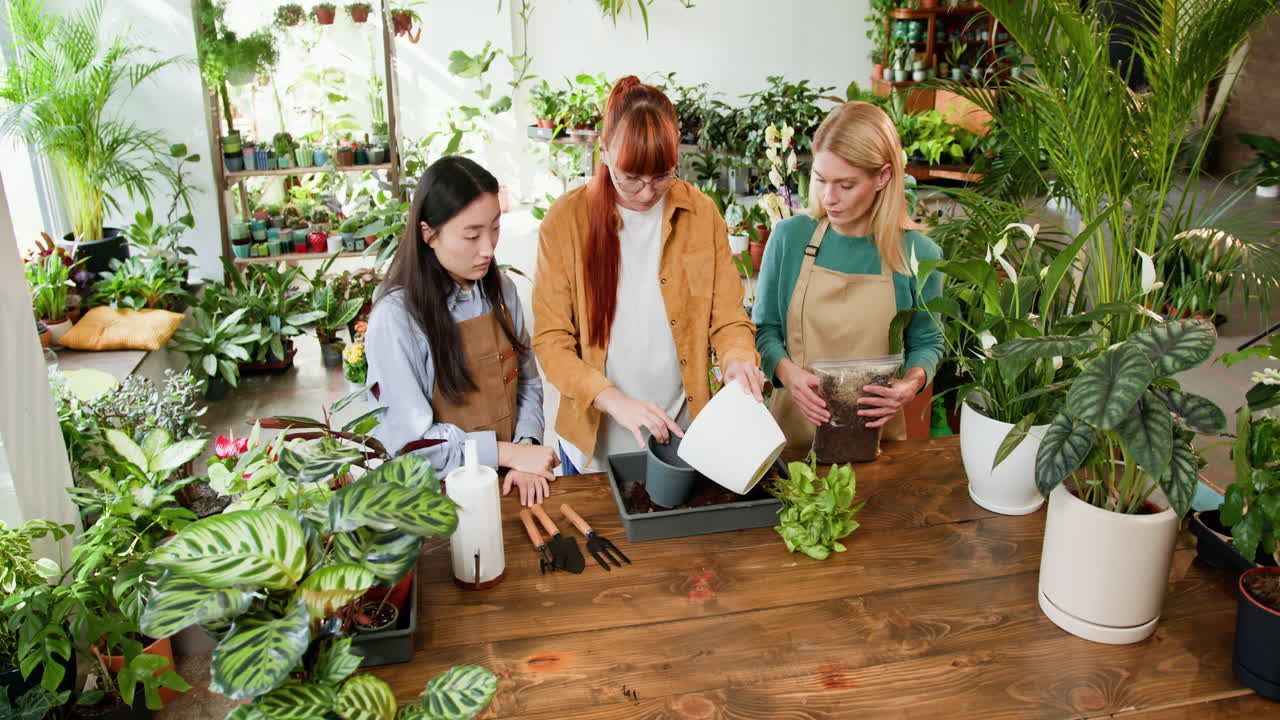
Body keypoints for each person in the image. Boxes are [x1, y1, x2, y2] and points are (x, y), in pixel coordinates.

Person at [533, 75, 765, 474]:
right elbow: (552, 341)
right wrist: (613, 399)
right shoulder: (566, 221)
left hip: (684, 436)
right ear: (603, 152)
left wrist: (738, 360)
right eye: (631, 178)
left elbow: (728, 316)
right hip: (594, 448)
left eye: (661, 177)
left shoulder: (700, 213)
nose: (645, 193)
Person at [364, 155, 558, 505]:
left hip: (508, 482)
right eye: (471, 235)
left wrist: (525, 447)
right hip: (435, 497)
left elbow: (526, 380)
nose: (488, 248)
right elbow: (411, 444)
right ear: (429, 234)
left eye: (495, 228)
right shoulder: (397, 320)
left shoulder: (500, 289)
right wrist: (505, 453)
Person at [753, 101, 943, 450]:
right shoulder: (789, 238)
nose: (829, 197)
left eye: (846, 185)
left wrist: (908, 386)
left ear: (883, 177)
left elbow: (927, 343)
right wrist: (788, 374)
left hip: (878, 441)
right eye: (821, 179)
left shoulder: (919, 254)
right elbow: (765, 330)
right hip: (793, 438)